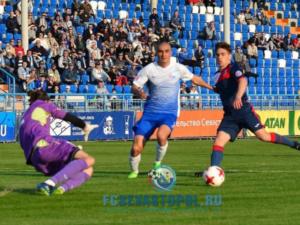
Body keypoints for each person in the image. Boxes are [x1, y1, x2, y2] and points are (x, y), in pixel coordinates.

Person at [128, 41, 213, 178]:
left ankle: (157, 164)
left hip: (169, 113)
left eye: (166, 51)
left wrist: (211, 87)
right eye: (161, 51)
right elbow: (134, 86)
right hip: (149, 114)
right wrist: (140, 93)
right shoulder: (149, 69)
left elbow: (195, 79)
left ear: (171, 52)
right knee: (136, 148)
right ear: (156, 53)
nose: (164, 54)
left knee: (162, 136)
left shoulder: (178, 68)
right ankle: (134, 171)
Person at [208, 42, 300, 168]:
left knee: (264, 137)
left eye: (222, 54)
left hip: (243, 111)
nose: (219, 57)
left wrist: (238, 96)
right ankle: (213, 170)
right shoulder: (216, 75)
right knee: (218, 141)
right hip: (230, 115)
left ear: (229, 56)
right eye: (217, 55)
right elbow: (220, 90)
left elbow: (243, 81)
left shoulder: (234, 68)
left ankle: (294, 144)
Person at [19, 90, 98, 195]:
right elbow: (66, 116)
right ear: (47, 100)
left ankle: (61, 189)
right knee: (89, 159)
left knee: (88, 169)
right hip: (44, 146)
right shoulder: (45, 104)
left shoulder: (25, 116)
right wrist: (84, 126)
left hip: (35, 159)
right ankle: (49, 183)